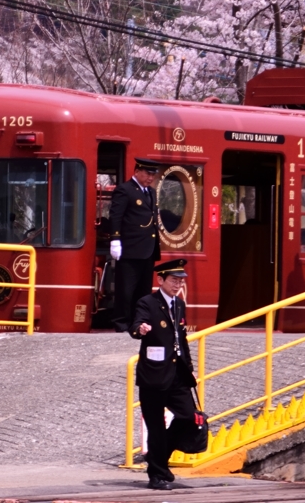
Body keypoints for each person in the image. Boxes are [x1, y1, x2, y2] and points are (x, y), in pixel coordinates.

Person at [131, 259, 197, 491]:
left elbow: (182, 338)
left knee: (189, 417)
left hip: (177, 374)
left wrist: (189, 367)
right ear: (160, 280)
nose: (178, 284)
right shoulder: (147, 302)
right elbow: (136, 325)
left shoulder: (179, 304)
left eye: (181, 280)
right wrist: (141, 329)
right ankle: (156, 475)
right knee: (156, 426)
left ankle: (157, 460)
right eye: (174, 280)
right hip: (154, 376)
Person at [109, 158, 161, 332]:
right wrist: (115, 239)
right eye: (147, 173)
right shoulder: (125, 190)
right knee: (126, 289)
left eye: (153, 174)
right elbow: (116, 216)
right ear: (137, 171)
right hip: (131, 248)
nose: (150, 177)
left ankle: (139, 323)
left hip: (148, 248)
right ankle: (122, 322)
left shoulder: (151, 192)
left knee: (144, 290)